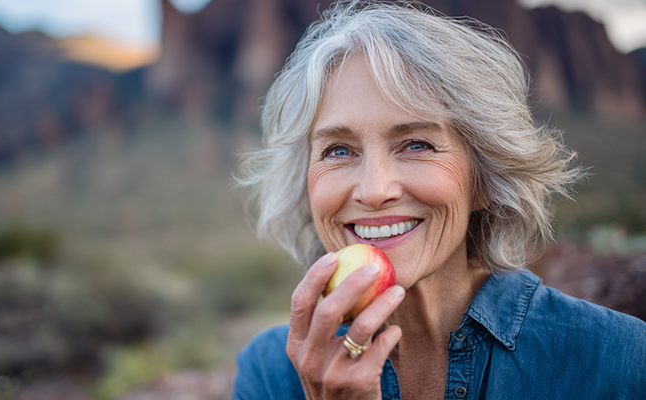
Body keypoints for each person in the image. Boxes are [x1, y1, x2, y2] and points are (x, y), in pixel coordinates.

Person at [233, 1, 646, 399]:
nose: (375, 191)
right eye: (338, 151)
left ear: (484, 180)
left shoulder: (619, 362)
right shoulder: (272, 372)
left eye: (416, 144)